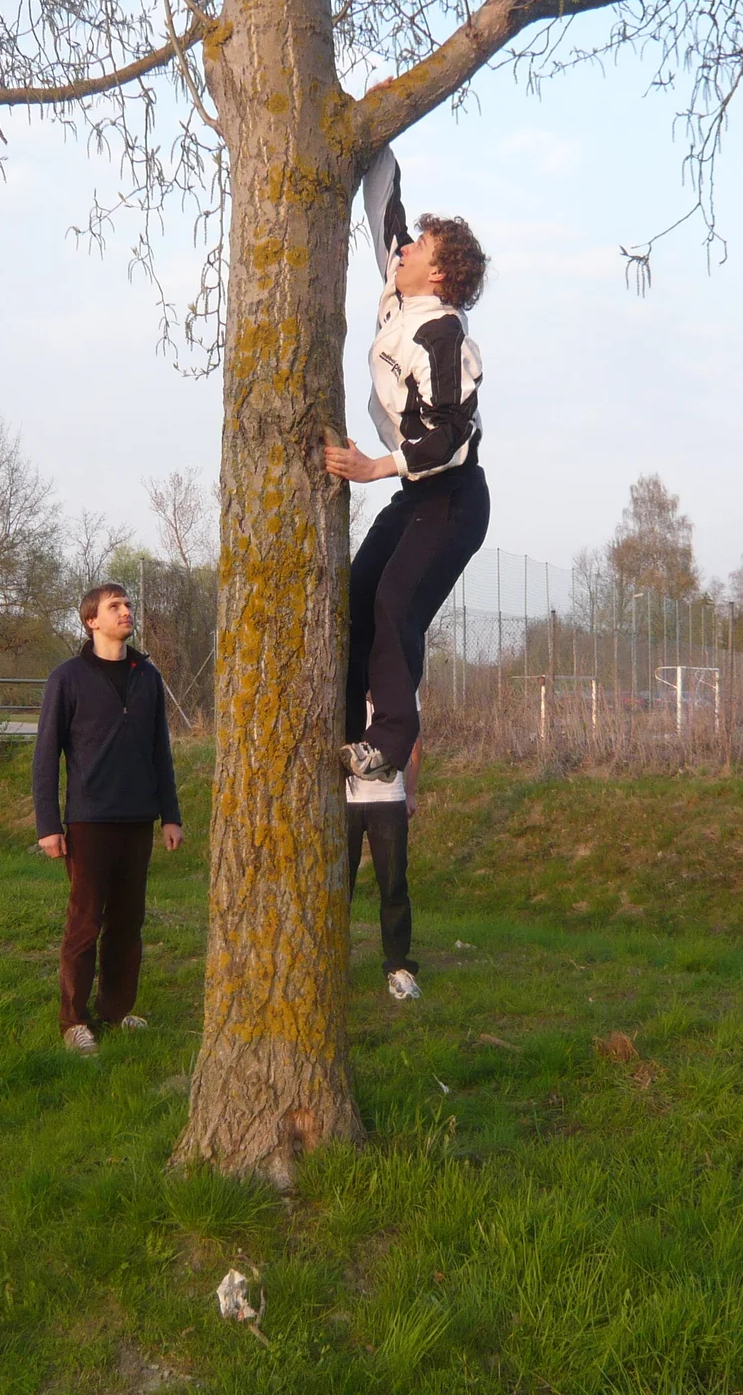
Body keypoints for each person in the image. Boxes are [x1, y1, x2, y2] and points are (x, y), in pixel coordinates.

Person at [325, 144, 490, 784]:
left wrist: (376, 467)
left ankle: (390, 743)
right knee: (356, 597)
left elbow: (450, 434)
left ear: (441, 275)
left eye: (419, 248)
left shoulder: (444, 332)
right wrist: (374, 137)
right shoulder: (398, 293)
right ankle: (340, 732)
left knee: (396, 601)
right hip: (418, 498)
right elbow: (385, 209)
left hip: (452, 497)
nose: (404, 251)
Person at [32, 585, 183, 1056]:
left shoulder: (147, 676)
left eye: (128, 605)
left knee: (128, 923)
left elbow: (162, 750)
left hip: (137, 818)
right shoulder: (68, 677)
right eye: (114, 606)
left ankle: (116, 1010)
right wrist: (48, 824)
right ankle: (74, 1020)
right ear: (91, 621)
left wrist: (170, 816)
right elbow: (45, 756)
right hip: (88, 820)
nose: (126, 611)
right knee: (84, 924)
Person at [346, 695, 422, 1000]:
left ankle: (399, 967)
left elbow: (415, 743)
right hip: (344, 800)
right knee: (338, 889)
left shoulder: (401, 684)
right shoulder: (341, 672)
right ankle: (330, 964)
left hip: (388, 798)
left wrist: (411, 792)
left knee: (393, 886)